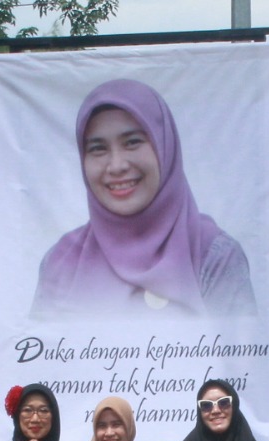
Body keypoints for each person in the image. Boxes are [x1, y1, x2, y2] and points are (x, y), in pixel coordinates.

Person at [33, 78, 255, 319]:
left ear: (165, 147)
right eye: (98, 148)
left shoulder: (212, 255)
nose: (116, 166)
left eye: (132, 142)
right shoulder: (62, 262)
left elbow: (242, 354)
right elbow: (38, 353)